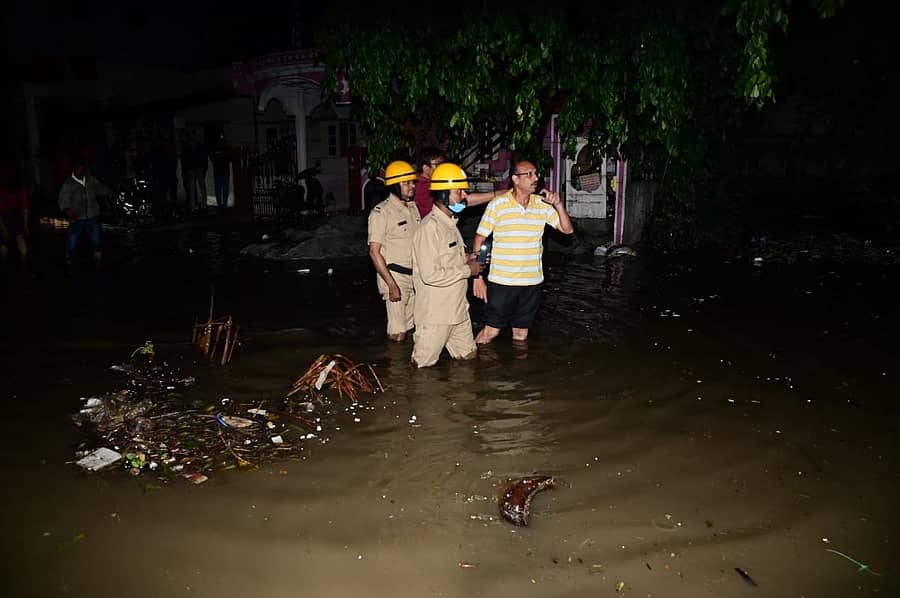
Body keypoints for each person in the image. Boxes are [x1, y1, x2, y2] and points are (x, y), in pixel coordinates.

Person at [472, 157, 574, 344]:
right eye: (529, 174)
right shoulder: (498, 204)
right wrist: (478, 277)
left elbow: (567, 230)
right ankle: (474, 367)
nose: (535, 178)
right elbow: (481, 239)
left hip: (531, 282)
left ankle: (518, 371)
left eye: (536, 174)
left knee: (521, 334)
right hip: (502, 282)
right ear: (515, 179)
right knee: (491, 331)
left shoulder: (542, 205)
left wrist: (558, 205)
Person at [410, 163, 483, 367]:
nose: (464, 194)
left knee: (469, 361)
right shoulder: (429, 229)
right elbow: (430, 275)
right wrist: (468, 269)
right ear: (443, 193)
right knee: (422, 368)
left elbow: (448, 260)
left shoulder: (450, 224)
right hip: (436, 316)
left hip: (458, 311)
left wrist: (468, 257)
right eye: (459, 190)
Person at [367, 160, 421, 342]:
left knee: (411, 327)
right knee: (397, 333)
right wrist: (391, 285)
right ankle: (396, 368)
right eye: (406, 183)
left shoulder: (413, 208)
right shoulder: (381, 213)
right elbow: (374, 252)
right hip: (394, 276)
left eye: (412, 182)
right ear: (394, 185)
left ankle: (408, 368)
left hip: (415, 277)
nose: (412, 186)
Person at [58, 157, 113, 264]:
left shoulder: (90, 179)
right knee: (72, 240)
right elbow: (63, 199)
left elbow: (100, 188)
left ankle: (98, 262)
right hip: (77, 217)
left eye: (81, 169)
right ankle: (69, 259)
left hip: (92, 215)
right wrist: (67, 210)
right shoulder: (68, 184)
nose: (80, 171)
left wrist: (110, 192)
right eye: (77, 169)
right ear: (73, 169)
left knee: (96, 240)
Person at [0, 167, 30, 265]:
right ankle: (24, 264)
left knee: (4, 241)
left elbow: (25, 208)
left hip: (11, 215)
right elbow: (25, 208)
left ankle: (5, 264)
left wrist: (3, 228)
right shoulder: (21, 189)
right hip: (11, 215)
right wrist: (25, 225)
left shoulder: (20, 189)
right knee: (17, 238)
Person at [210, 133, 232, 211]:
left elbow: (212, 158)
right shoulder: (227, 148)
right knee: (223, 189)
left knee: (220, 190)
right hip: (223, 172)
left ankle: (221, 205)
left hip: (219, 172)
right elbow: (230, 158)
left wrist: (219, 156)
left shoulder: (215, 148)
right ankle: (223, 205)